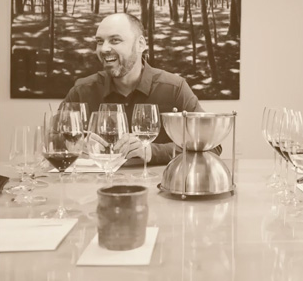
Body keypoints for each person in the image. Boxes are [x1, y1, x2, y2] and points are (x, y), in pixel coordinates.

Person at [63, 13, 218, 166]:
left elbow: (212, 147)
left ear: (141, 44)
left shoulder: (174, 88)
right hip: (95, 189)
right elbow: (53, 141)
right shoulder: (81, 91)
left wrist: (152, 152)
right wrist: (74, 144)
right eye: (99, 41)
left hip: (158, 188)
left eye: (115, 40)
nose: (103, 49)